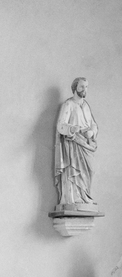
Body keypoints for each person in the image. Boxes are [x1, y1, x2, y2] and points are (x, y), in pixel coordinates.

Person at [55, 76, 98, 211]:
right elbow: (60, 125)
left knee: (90, 170)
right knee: (74, 171)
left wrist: (92, 132)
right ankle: (73, 199)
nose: (85, 89)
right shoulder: (68, 104)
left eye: (86, 87)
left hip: (86, 144)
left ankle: (85, 197)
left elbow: (93, 124)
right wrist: (72, 129)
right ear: (75, 88)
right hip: (73, 144)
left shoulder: (86, 106)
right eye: (82, 86)